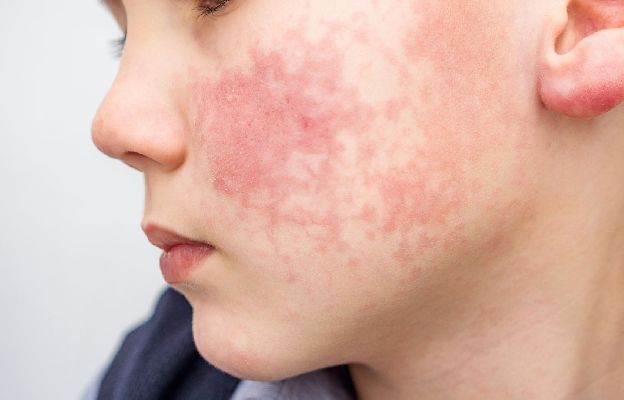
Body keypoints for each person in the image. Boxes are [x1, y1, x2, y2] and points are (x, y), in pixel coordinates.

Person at [86, 0, 624, 398]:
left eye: (215, 2)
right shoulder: (146, 380)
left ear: (588, 21)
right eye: (124, 40)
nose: (114, 125)